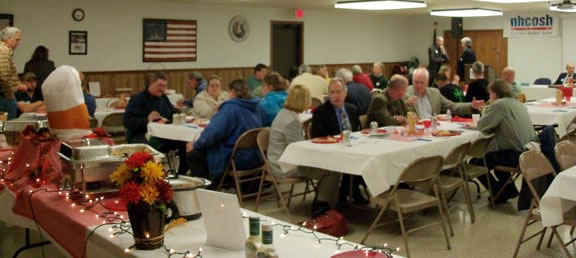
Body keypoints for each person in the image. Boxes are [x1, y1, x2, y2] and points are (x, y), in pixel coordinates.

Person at [267, 85, 340, 215]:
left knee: (328, 166)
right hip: (284, 165)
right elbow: (300, 149)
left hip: (281, 159)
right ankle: (321, 206)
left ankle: (326, 202)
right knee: (331, 170)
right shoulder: (290, 121)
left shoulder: (285, 113)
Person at [187, 79, 265, 180]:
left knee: (193, 154)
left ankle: (210, 187)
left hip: (237, 158)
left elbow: (212, 133)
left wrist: (196, 144)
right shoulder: (257, 106)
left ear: (232, 92)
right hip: (258, 156)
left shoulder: (231, 108)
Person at [477, 79, 535, 204]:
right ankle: (508, 191)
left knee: (477, 163)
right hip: (530, 152)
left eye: (490, 94)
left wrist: (486, 110)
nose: (489, 97)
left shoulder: (499, 104)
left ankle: (499, 192)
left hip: (517, 155)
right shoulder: (518, 103)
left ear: (496, 94)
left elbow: (482, 125)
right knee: (497, 158)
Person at [310, 78, 367, 204]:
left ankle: (347, 191)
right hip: (331, 151)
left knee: (366, 160)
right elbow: (316, 136)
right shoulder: (321, 112)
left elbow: (358, 130)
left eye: (338, 92)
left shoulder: (352, 109)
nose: (335, 96)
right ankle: (349, 192)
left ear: (345, 93)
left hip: (353, 148)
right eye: (332, 92)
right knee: (355, 162)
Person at [406, 68, 484, 119]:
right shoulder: (406, 93)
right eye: (416, 82)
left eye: (422, 83)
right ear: (412, 81)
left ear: (427, 82)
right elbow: (397, 115)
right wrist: (406, 103)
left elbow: (452, 106)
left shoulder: (435, 93)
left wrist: (471, 105)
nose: (419, 85)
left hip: (433, 130)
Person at [124, 71, 177, 143]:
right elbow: (127, 122)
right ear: (151, 83)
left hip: (164, 133)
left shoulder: (163, 97)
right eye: (160, 85)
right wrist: (148, 120)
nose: (162, 89)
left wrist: (179, 116)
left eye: (164, 86)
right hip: (142, 135)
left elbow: (171, 112)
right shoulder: (137, 98)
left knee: (183, 142)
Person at [0, 26, 23, 119]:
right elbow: (3, 76)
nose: (19, 43)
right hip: (4, 96)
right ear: (8, 39)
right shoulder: (3, 51)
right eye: (17, 40)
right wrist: (10, 94)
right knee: (8, 129)